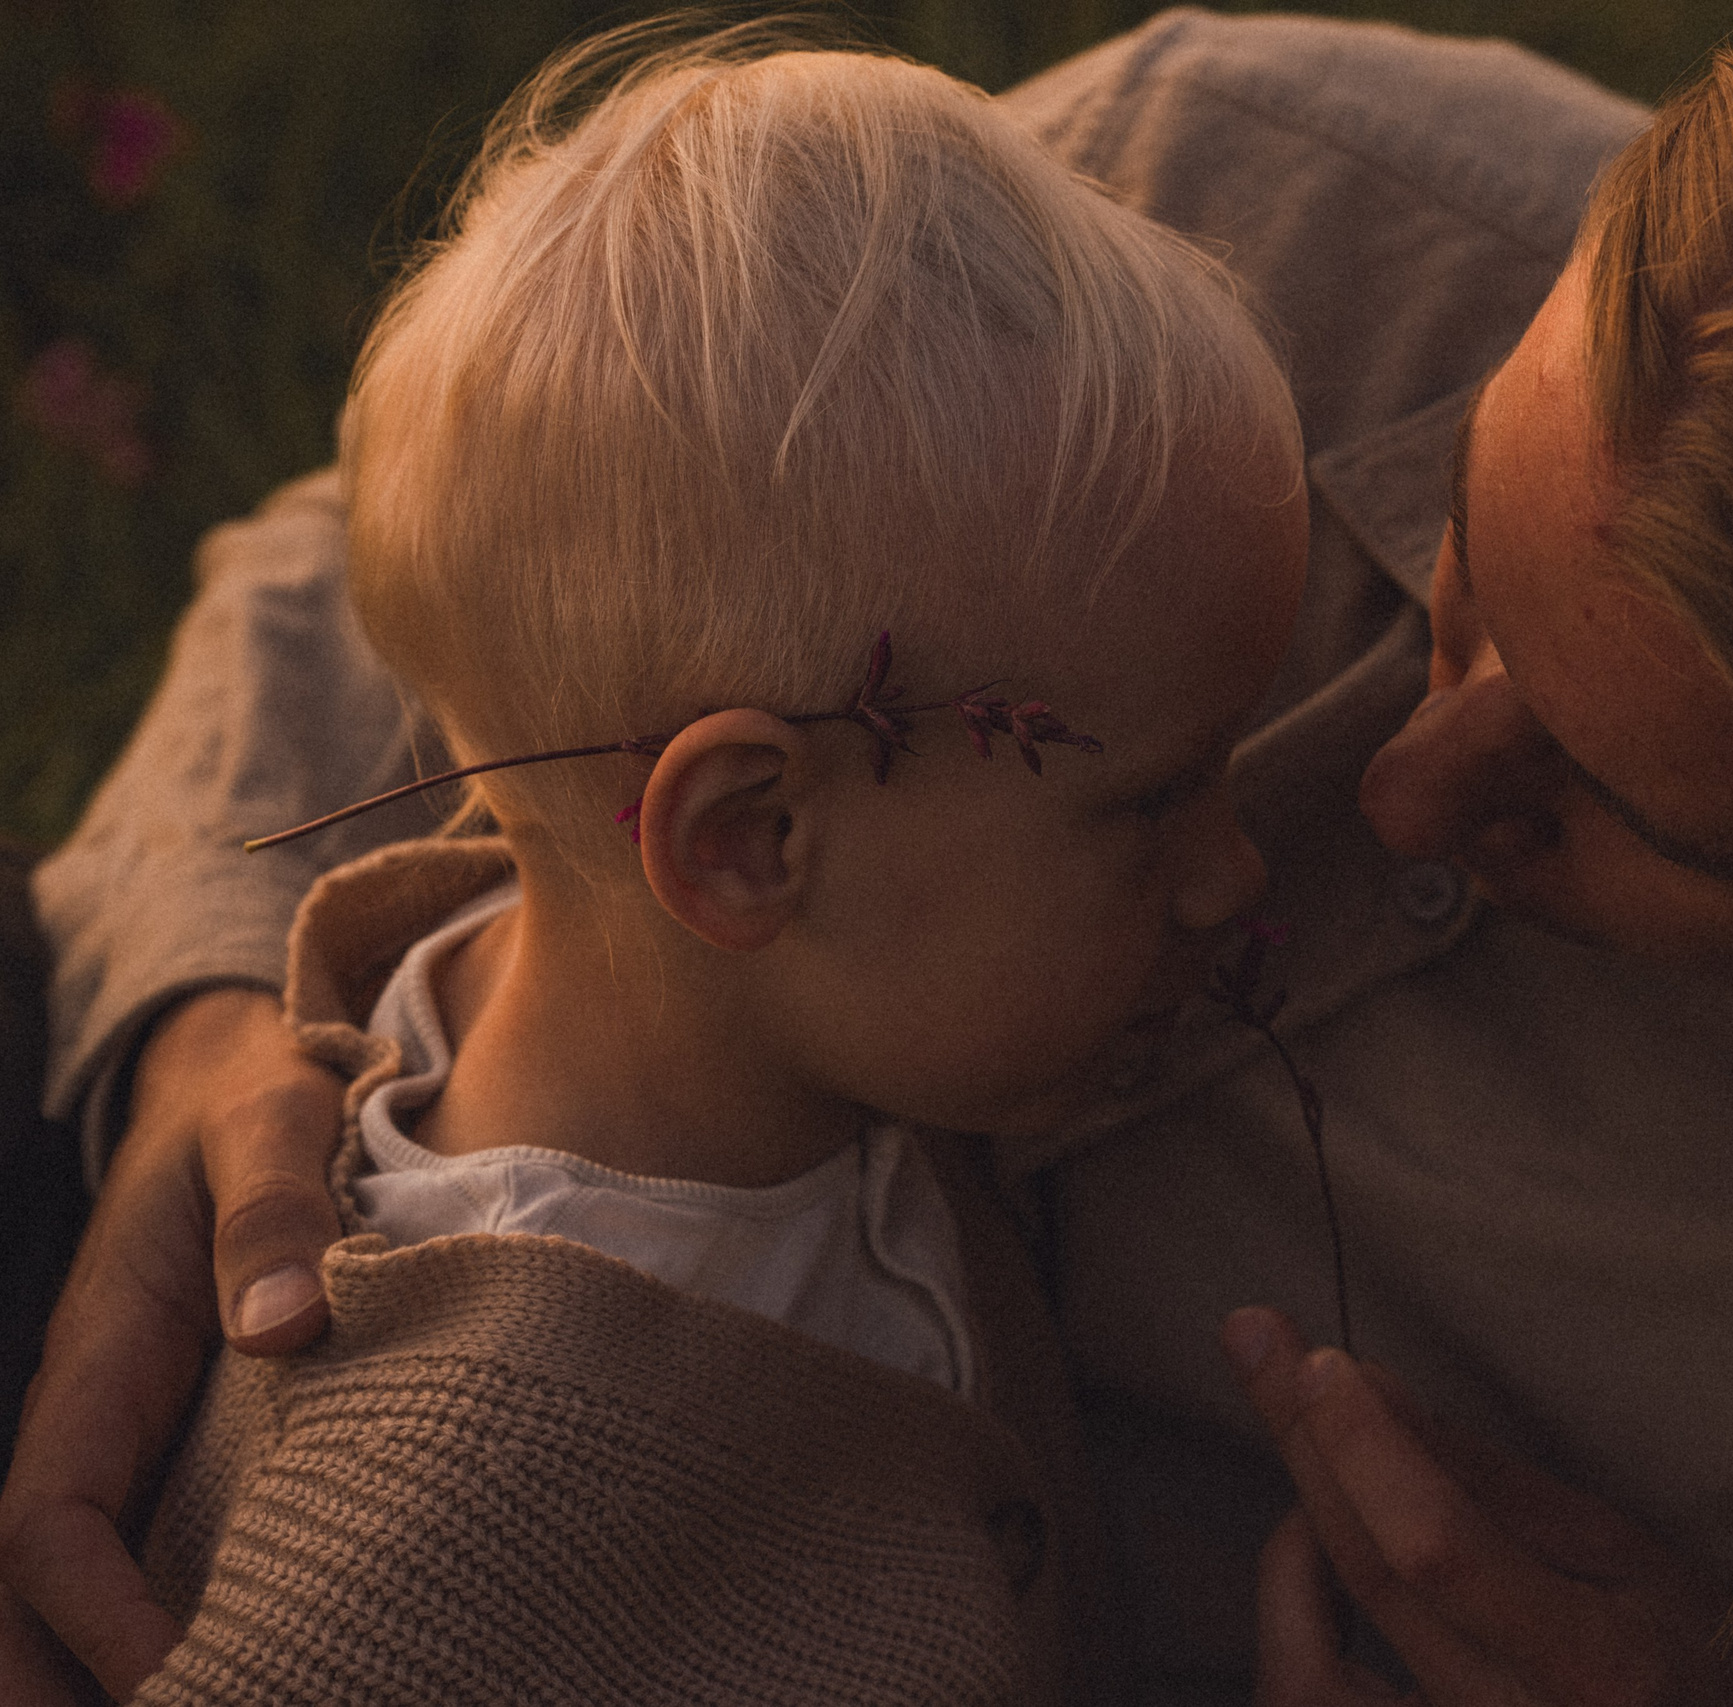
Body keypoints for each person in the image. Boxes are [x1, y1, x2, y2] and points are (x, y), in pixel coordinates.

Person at [9, 0, 1733, 1702]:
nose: (1387, 800)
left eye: (1610, 805)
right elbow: (404, 547)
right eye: (1451, 559)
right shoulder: (1270, 208)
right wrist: (202, 1028)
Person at [46, 20, 1308, 1706]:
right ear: (746, 844)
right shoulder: (436, 1536)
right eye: (1154, 802)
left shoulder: (803, 1060)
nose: (1239, 871)